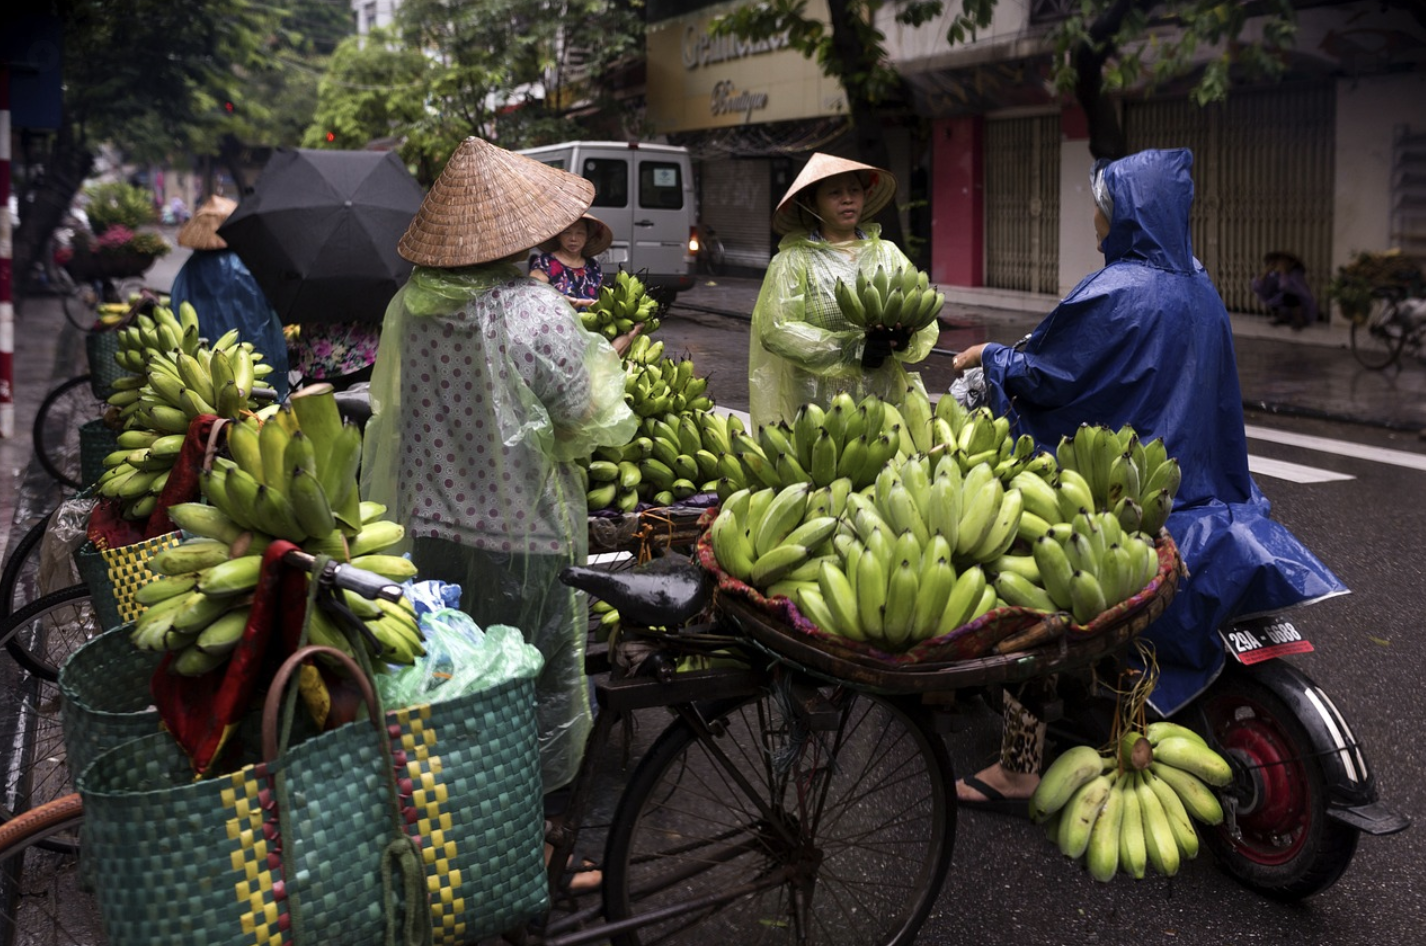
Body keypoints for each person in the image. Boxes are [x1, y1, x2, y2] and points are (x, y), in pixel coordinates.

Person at [949, 149, 1345, 811]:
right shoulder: (1200, 285)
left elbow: (1046, 376)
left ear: (1126, 214)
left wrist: (987, 357)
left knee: (1029, 602)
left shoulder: (1116, 291)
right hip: (1214, 498)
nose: (1096, 223)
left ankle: (1020, 768)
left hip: (1131, 506)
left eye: (1102, 210)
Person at [361, 136, 639, 802]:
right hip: (526, 533)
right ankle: (530, 809)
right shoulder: (536, 309)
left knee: (454, 669)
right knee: (536, 673)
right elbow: (575, 413)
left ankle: (456, 798)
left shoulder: (414, 308)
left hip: (433, 528)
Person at [748, 152, 940, 430]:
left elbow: (923, 317)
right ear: (813, 202)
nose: (847, 199)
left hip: (884, 397)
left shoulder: (888, 253)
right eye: (834, 193)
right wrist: (850, 350)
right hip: (815, 403)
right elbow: (776, 330)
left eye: (854, 190)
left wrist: (903, 340)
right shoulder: (793, 260)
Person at [169, 195, 291, 399]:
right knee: (259, 392)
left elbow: (177, 306)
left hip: (206, 350)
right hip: (254, 342)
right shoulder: (249, 263)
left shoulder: (191, 267)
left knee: (213, 391)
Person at [528, 213, 611, 308]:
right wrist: (562, 300)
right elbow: (533, 295)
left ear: (587, 237)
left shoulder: (593, 266)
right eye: (567, 232)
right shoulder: (544, 262)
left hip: (590, 322)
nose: (573, 239)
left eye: (580, 233)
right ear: (558, 235)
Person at [1251, 251, 1318, 330]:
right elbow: (1258, 288)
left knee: (1289, 296)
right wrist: (1265, 273)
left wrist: (1283, 272)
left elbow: (1286, 287)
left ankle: (1299, 320)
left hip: (1304, 309)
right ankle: (1283, 317)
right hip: (1285, 308)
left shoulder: (1295, 274)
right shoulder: (1274, 275)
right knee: (1275, 299)